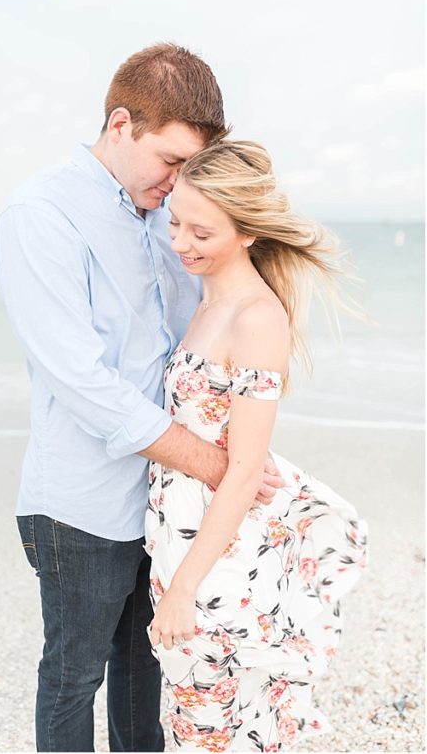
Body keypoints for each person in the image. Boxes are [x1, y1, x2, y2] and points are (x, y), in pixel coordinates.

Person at [0, 43, 283, 752]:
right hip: (82, 505)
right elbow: (86, 384)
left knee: (145, 678)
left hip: (168, 506)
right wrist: (218, 467)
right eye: (172, 162)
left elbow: (206, 346)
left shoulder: (169, 216)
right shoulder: (41, 216)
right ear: (121, 125)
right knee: (73, 679)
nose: (181, 184)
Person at [145, 140, 368, 751]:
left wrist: (184, 589)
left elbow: (243, 472)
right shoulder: (206, 300)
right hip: (181, 541)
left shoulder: (255, 318)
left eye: (201, 231)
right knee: (203, 724)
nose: (180, 242)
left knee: (213, 730)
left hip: (219, 562)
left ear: (247, 232)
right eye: (175, 223)